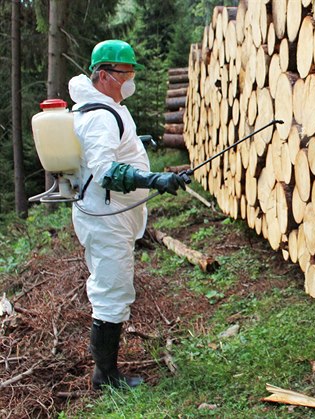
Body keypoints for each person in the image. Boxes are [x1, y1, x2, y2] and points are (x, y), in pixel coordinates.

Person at [68, 39, 185, 390]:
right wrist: (153, 179)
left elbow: (111, 148)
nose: (131, 78)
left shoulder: (103, 106)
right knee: (111, 290)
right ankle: (105, 376)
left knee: (114, 286)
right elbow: (105, 171)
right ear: (104, 75)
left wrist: (138, 144)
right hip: (105, 217)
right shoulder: (100, 116)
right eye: (126, 72)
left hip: (108, 214)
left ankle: (107, 372)